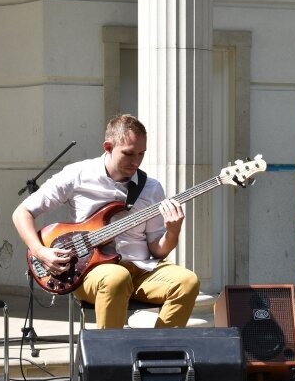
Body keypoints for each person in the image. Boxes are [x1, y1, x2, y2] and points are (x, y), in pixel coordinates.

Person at [12, 114, 200, 329]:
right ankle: (110, 359)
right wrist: (40, 251)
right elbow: (22, 212)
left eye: (141, 154)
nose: (136, 162)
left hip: (140, 269)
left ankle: (159, 353)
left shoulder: (151, 188)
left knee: (187, 281)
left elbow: (158, 251)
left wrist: (173, 232)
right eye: (128, 154)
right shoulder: (78, 175)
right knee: (115, 277)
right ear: (108, 147)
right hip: (91, 271)